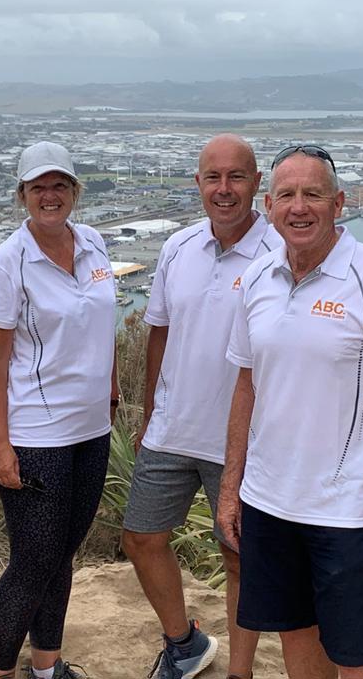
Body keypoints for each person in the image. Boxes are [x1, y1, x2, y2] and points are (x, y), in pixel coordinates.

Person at [217, 145, 363, 679]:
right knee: (297, 639)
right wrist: (231, 489)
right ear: (269, 206)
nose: (299, 207)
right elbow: (247, 386)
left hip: (346, 512)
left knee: (359, 657)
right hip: (269, 503)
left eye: (313, 194)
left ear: (338, 203)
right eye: (287, 195)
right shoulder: (257, 279)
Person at [121, 133, 280, 679]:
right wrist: (150, 414)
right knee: (141, 538)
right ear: (198, 183)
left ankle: (240, 671)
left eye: (236, 177)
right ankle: (183, 643)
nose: (224, 188)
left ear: (256, 183)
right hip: (172, 428)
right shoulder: (177, 247)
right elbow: (159, 333)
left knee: (237, 555)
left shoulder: (278, 253)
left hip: (242, 439)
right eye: (213, 177)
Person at [0, 141, 119, 679]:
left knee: (62, 554)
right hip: (37, 434)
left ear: (74, 191)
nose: (50, 195)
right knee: (33, 562)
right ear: (23, 195)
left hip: (91, 428)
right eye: (39, 187)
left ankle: (47, 666)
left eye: (60, 185)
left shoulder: (94, 244)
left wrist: (109, 387)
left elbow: (101, 323)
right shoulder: (8, 263)